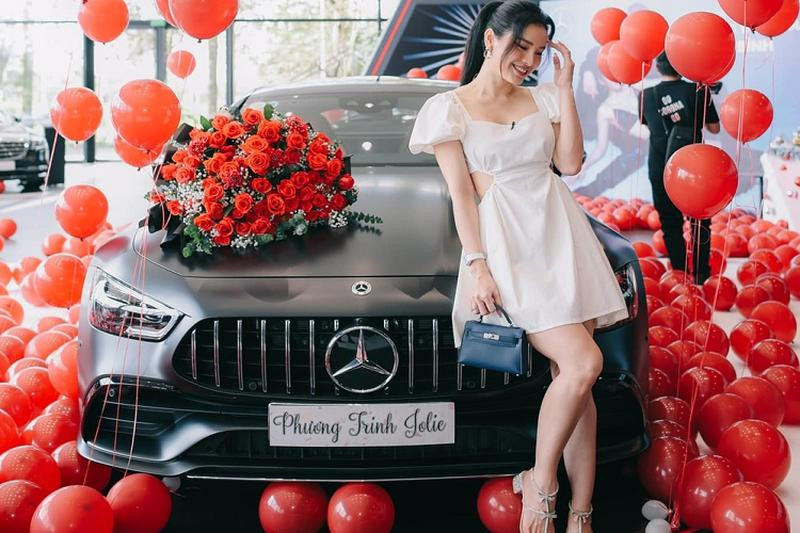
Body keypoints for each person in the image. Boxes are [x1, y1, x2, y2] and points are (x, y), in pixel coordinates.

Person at [408, 2, 628, 532]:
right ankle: (540, 481)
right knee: (583, 364)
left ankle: (580, 513)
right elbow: (462, 197)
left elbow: (569, 164)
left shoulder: (545, 96)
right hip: (508, 248)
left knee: (574, 380)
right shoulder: (448, 108)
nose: (529, 60)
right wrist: (478, 265)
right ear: (491, 39)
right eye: (521, 46)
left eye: (538, 51)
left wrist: (566, 87)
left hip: (561, 237)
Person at [641, 52, 721, 284]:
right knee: (700, 221)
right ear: (682, 65)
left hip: (660, 165)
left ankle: (680, 275)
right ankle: (701, 275)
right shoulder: (698, 90)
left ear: (658, 68)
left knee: (670, 223)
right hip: (694, 168)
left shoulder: (646, 95)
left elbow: (647, 125)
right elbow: (714, 128)